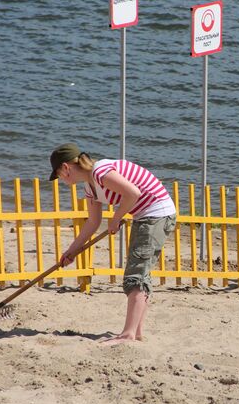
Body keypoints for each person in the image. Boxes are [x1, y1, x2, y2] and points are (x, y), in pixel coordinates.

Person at [49, 143, 176, 346]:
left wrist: (116, 218)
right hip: (146, 216)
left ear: (66, 168)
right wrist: (71, 252)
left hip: (156, 214)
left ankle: (128, 335)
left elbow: (133, 193)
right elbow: (92, 223)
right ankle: (137, 332)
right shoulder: (90, 186)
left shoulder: (101, 171)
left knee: (136, 274)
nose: (61, 181)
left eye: (59, 176)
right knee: (140, 272)